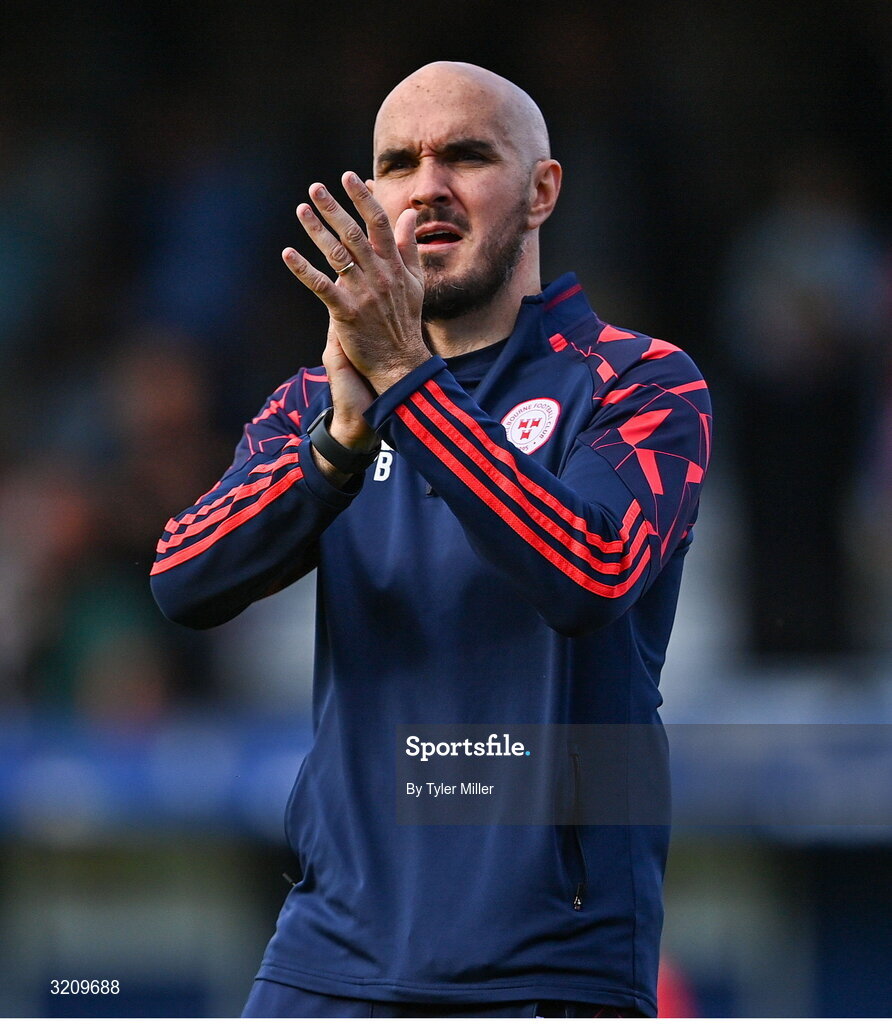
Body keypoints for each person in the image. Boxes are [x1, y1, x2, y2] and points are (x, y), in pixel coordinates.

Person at [151, 61, 711, 1018]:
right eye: (398, 164)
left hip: (542, 968)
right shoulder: (319, 405)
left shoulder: (640, 382)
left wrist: (409, 377)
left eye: (466, 155)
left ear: (542, 191)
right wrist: (336, 445)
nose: (428, 187)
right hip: (326, 957)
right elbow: (181, 579)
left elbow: (592, 570)